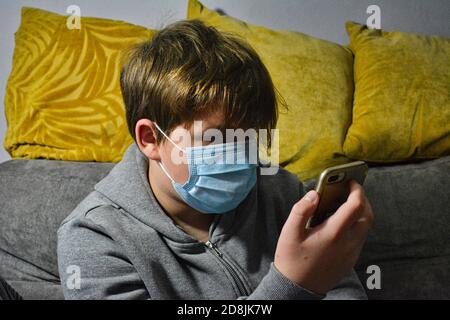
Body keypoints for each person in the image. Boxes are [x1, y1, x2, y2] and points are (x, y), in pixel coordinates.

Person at [57, 19, 373, 300]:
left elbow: (344, 289)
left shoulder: (280, 190)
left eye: (249, 135)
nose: (240, 155)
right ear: (150, 139)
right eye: (215, 138)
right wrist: (293, 284)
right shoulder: (94, 237)